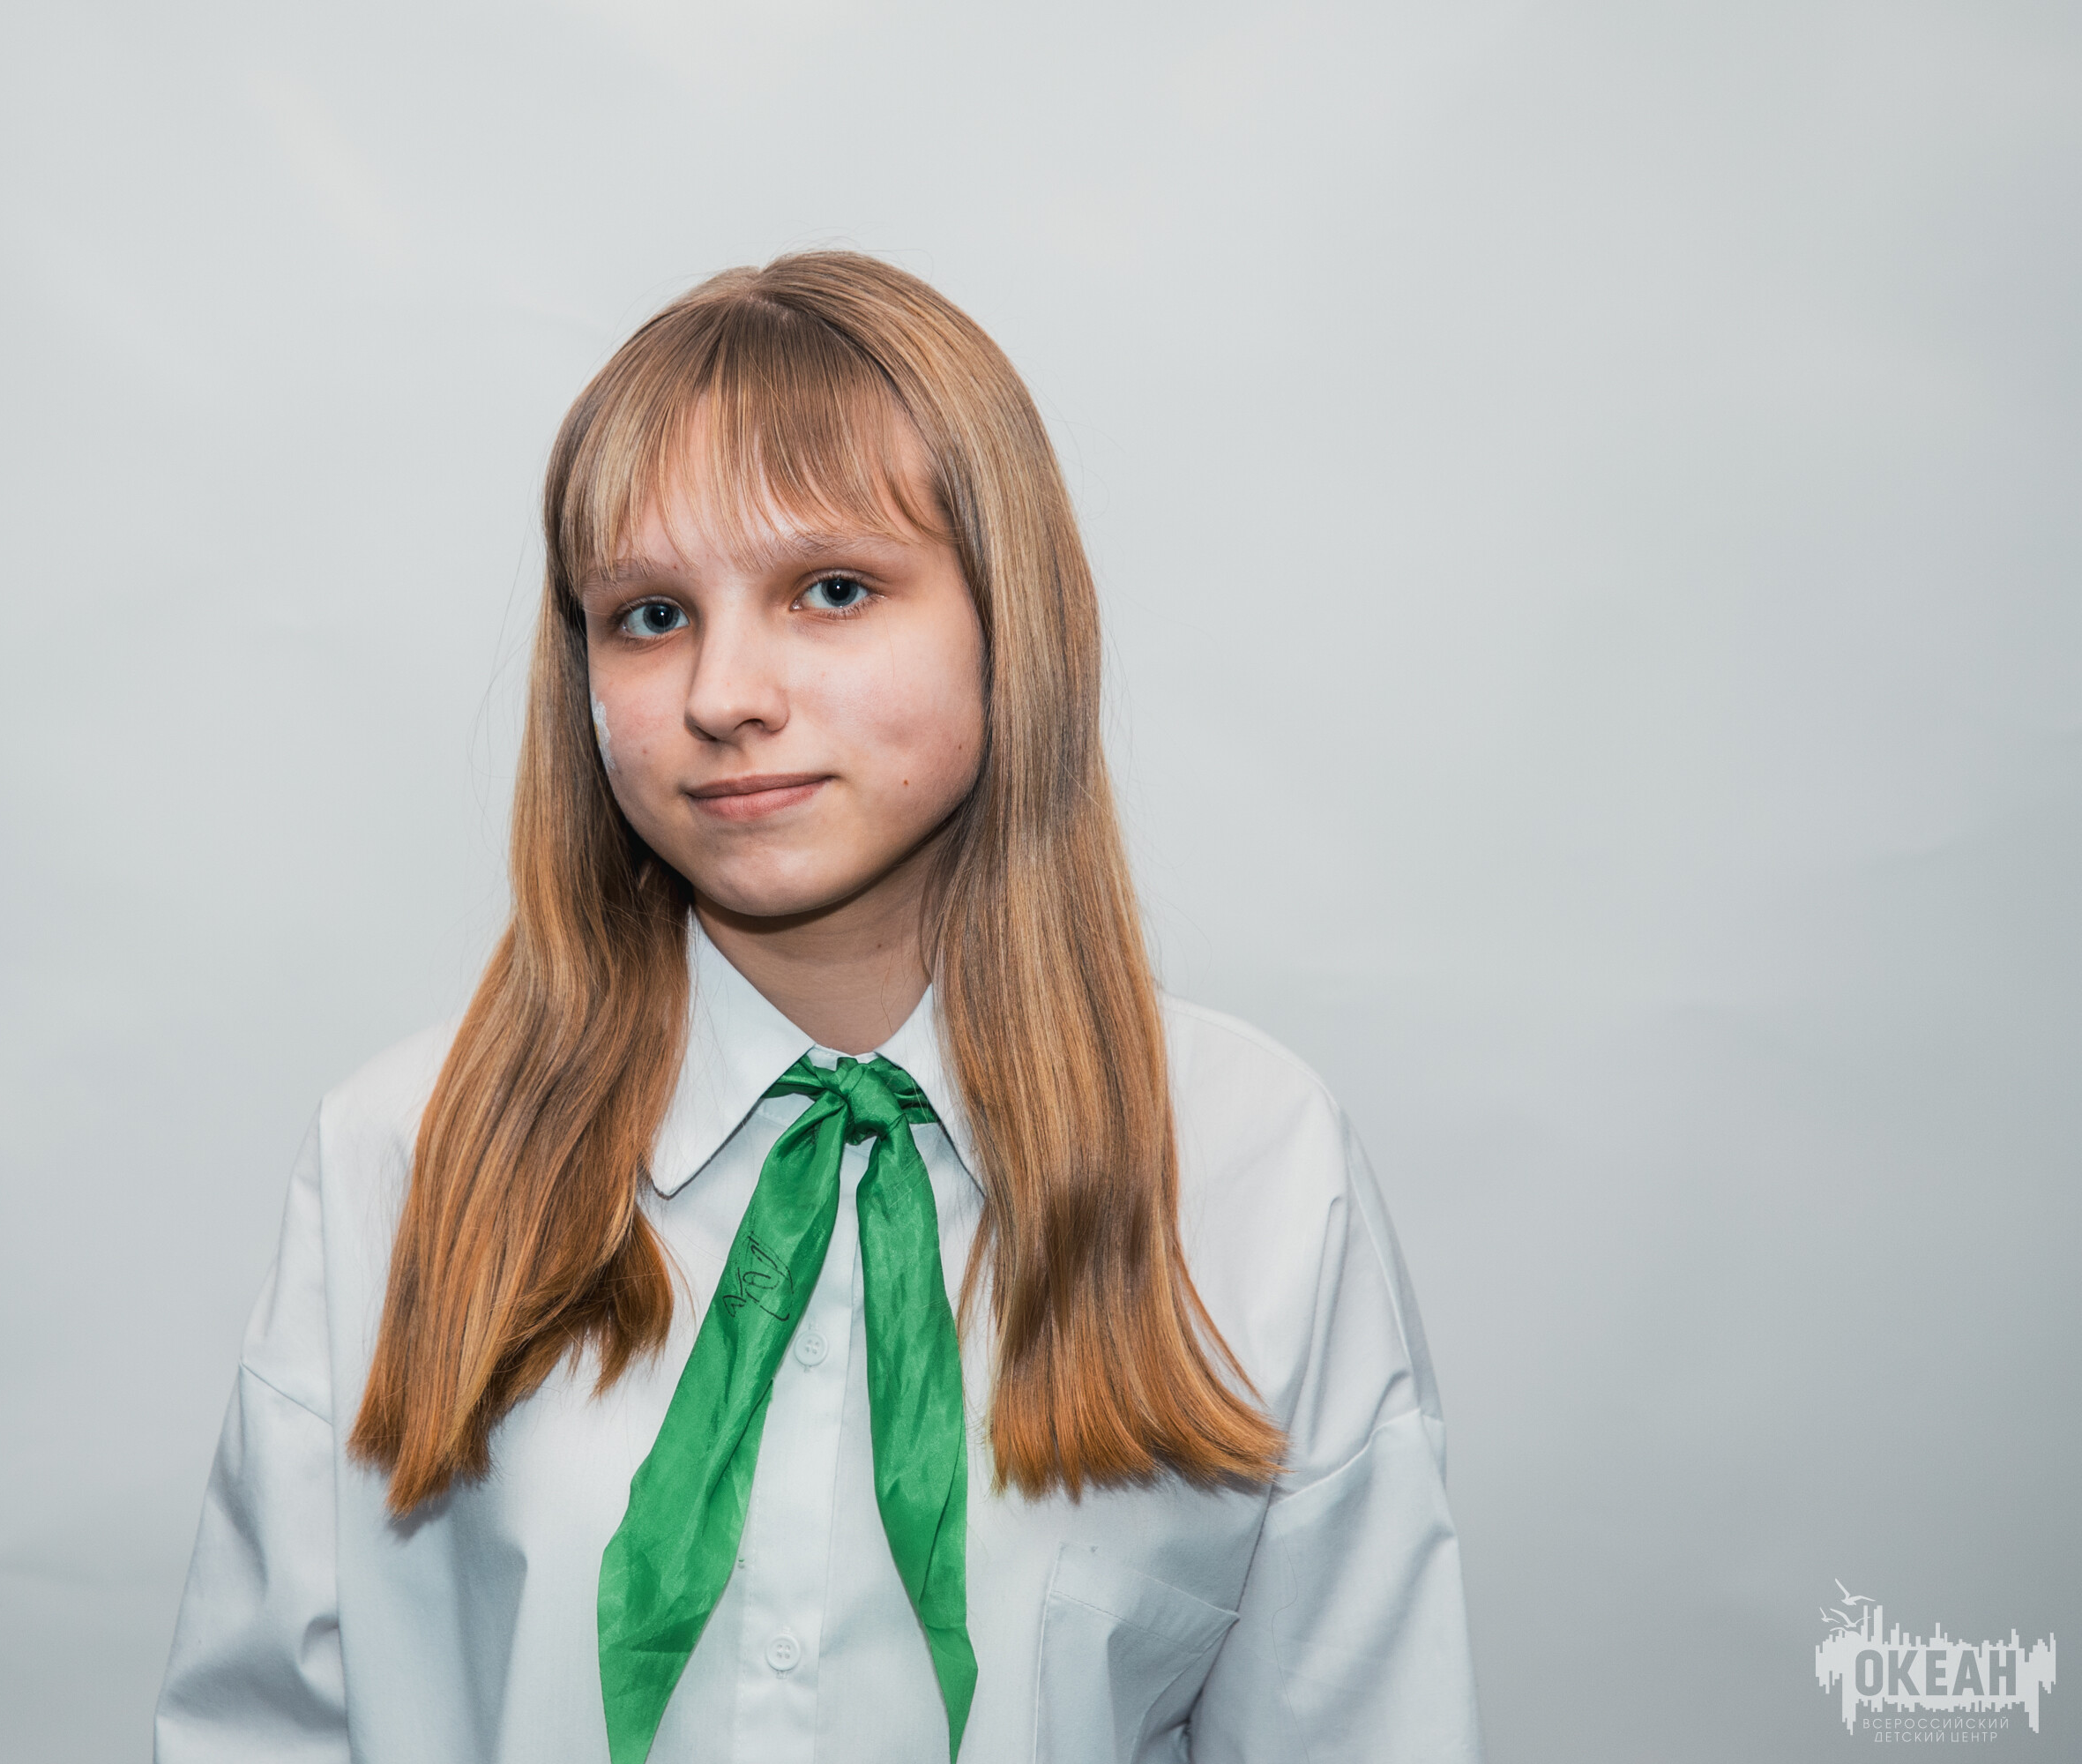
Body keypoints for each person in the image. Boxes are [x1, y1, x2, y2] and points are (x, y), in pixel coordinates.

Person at [153, 251, 1485, 1764]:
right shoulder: (397, 1156)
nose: (724, 692)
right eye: (650, 614)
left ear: (1010, 621)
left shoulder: (1255, 1167)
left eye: (833, 590)